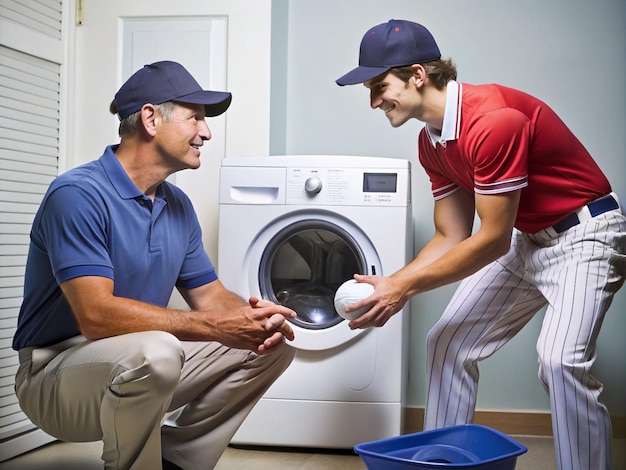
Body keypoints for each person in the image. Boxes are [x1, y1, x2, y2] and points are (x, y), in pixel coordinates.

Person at [336, 19, 625, 470]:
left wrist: (404, 288)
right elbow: (452, 234)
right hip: (526, 237)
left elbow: (489, 241)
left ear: (417, 74)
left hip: (585, 233)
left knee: (559, 361)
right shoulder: (429, 142)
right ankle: (441, 463)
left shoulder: (493, 122)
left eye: (379, 86)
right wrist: (391, 283)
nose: (373, 101)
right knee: (447, 341)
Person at [12, 60, 297, 470]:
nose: (206, 131)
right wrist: (216, 327)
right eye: (195, 118)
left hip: (133, 362)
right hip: (54, 377)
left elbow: (210, 296)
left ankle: (175, 462)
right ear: (150, 119)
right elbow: (94, 316)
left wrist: (255, 319)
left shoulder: (176, 204)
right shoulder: (77, 194)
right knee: (157, 350)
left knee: (269, 349)